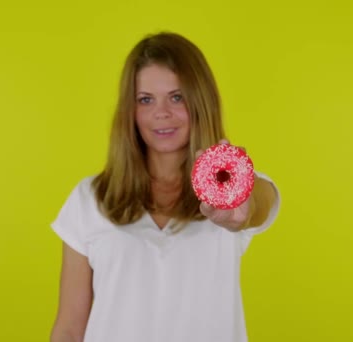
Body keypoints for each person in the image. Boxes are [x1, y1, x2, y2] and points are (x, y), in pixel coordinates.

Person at [49, 32, 281, 342]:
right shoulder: (89, 198)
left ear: (200, 101)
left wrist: (241, 203)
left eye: (177, 97)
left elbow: (258, 202)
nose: (162, 113)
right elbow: (69, 329)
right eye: (145, 99)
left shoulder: (229, 190)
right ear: (129, 111)